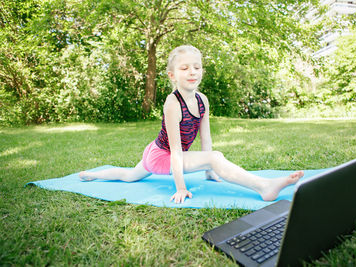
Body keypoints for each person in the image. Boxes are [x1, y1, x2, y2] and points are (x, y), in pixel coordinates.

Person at [79, 45, 304, 204]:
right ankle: (265, 187)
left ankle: (93, 175)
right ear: (172, 75)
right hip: (161, 155)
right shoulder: (172, 103)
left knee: (129, 176)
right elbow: (176, 152)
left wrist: (209, 171)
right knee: (216, 158)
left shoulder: (202, 99)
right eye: (184, 68)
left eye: (196, 67)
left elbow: (206, 139)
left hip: (158, 151)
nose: (192, 71)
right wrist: (181, 187)